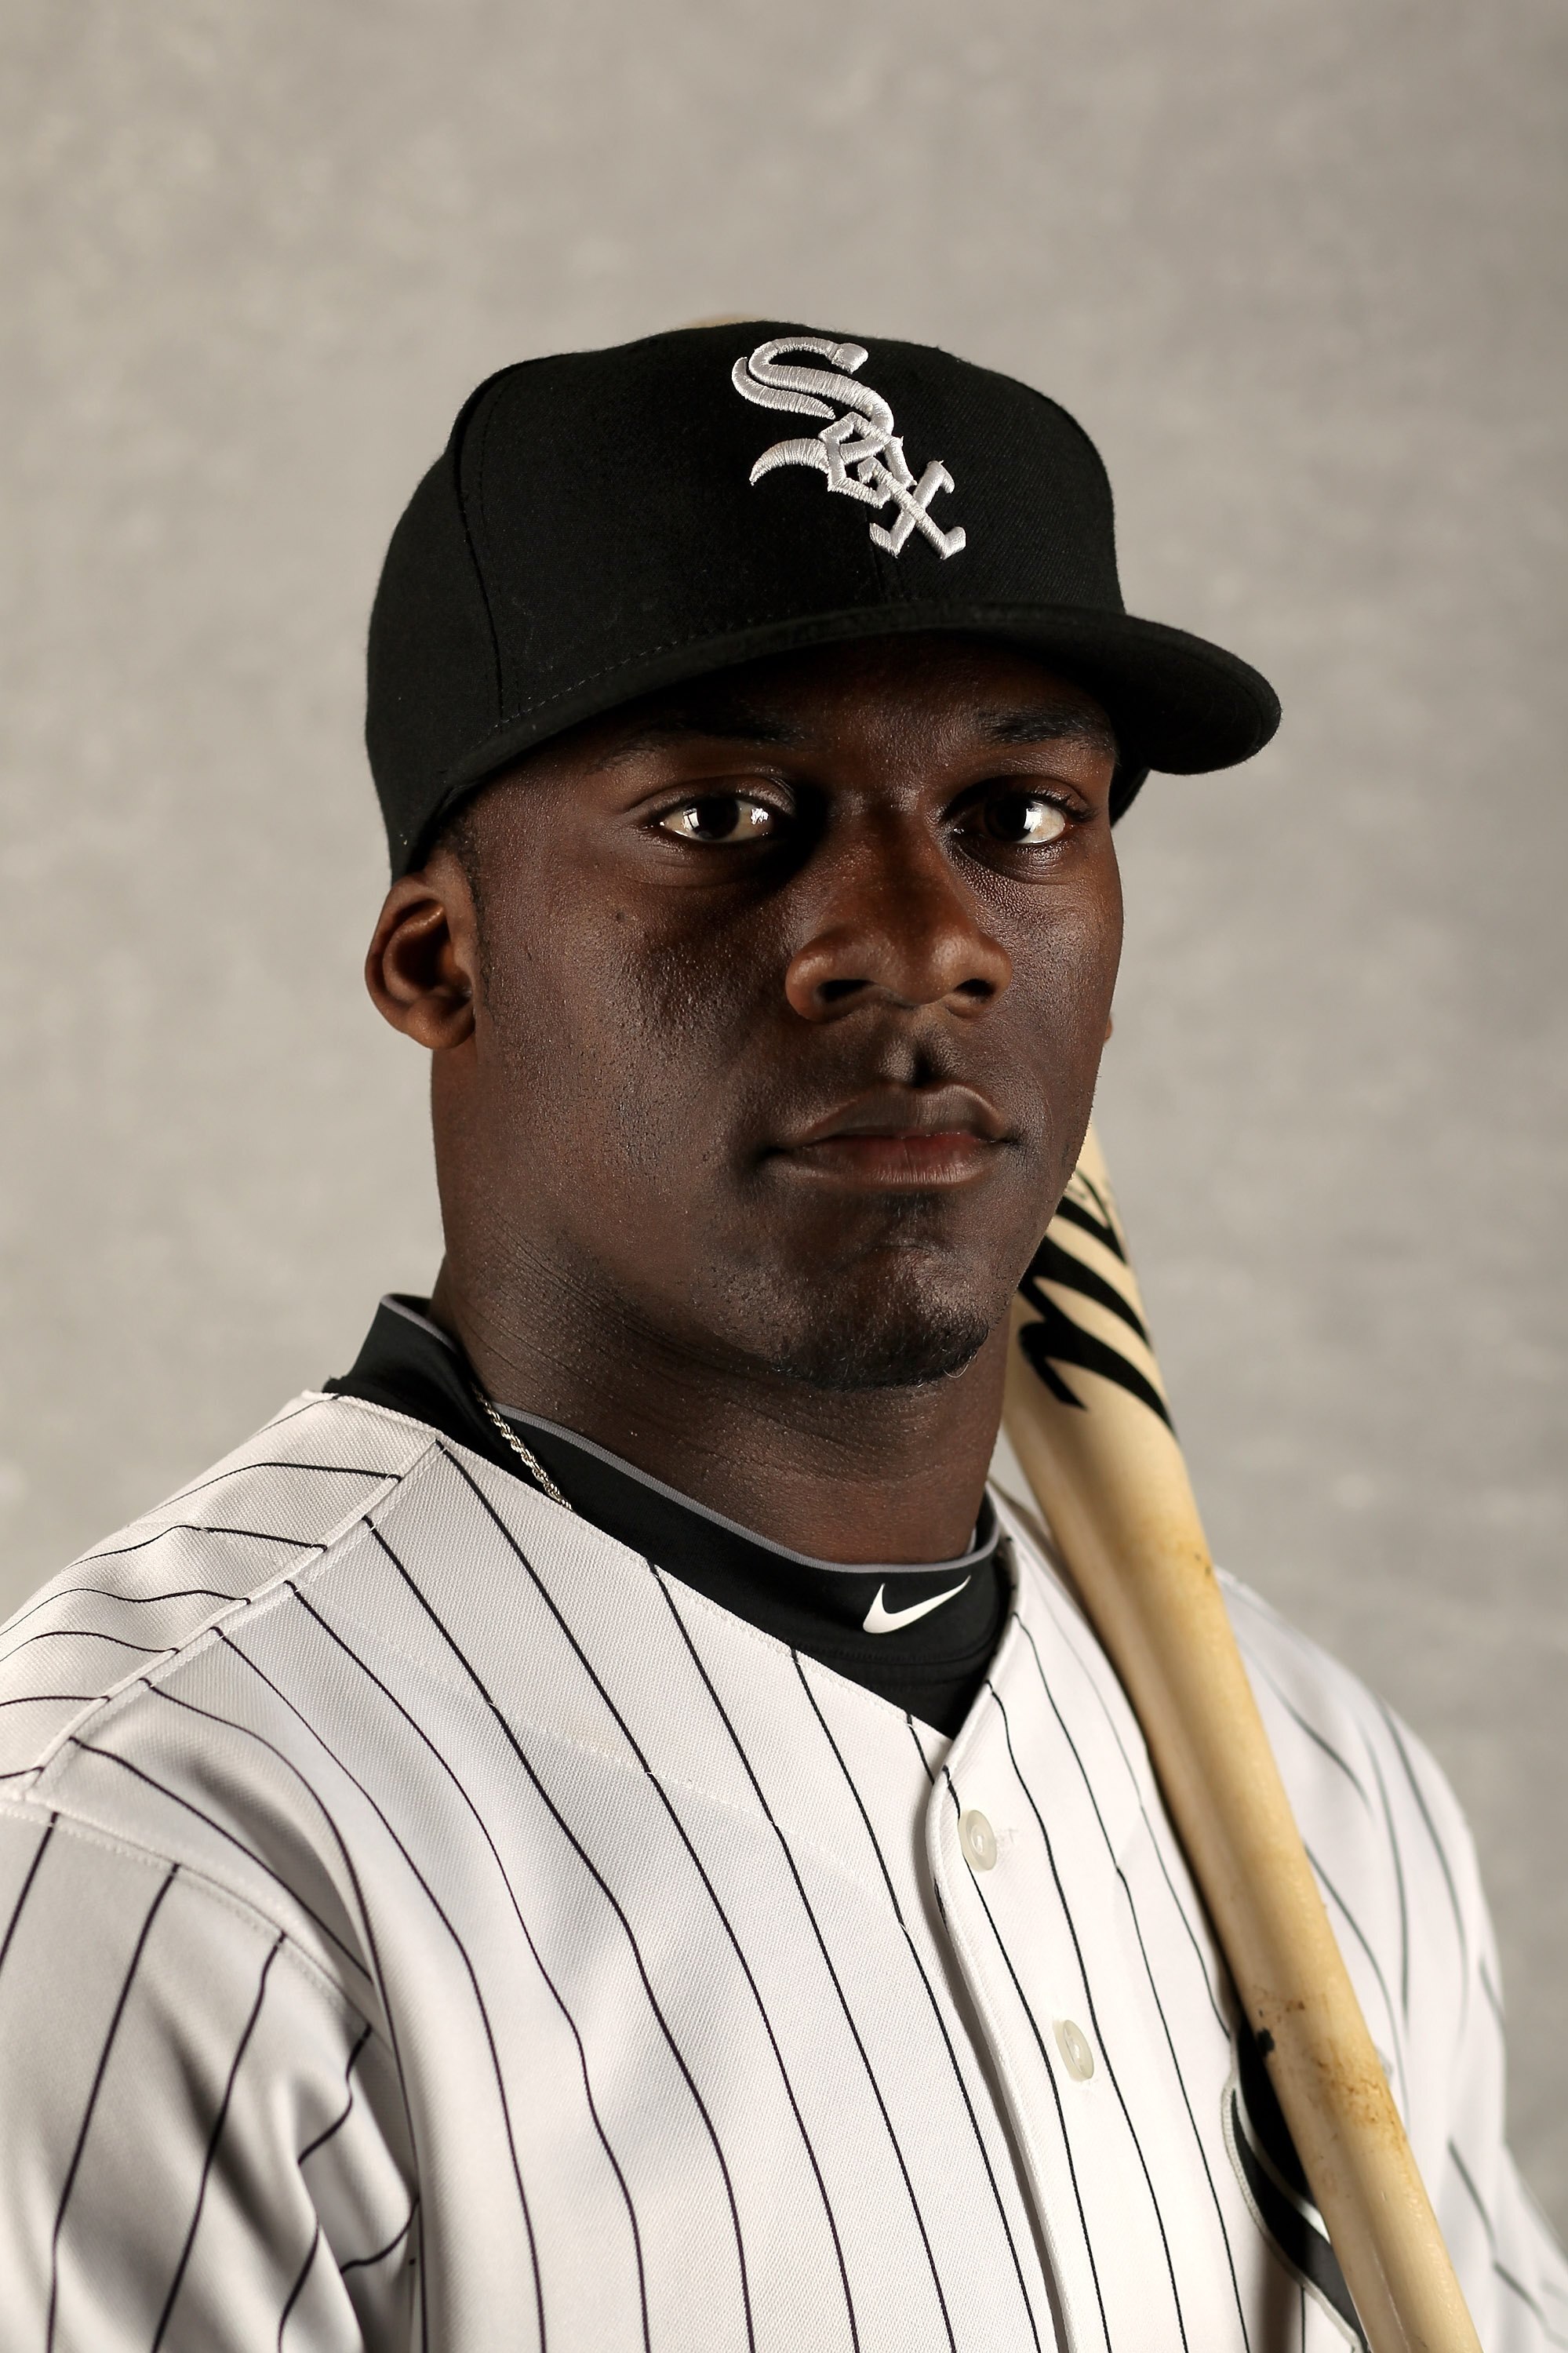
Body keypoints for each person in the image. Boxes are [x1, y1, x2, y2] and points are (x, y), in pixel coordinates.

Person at [0, 322, 1560, 2352]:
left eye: (1017, 815)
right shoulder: (157, 1848)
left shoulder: (1327, 1781)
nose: (920, 939)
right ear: (436, 958)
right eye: (729, 817)